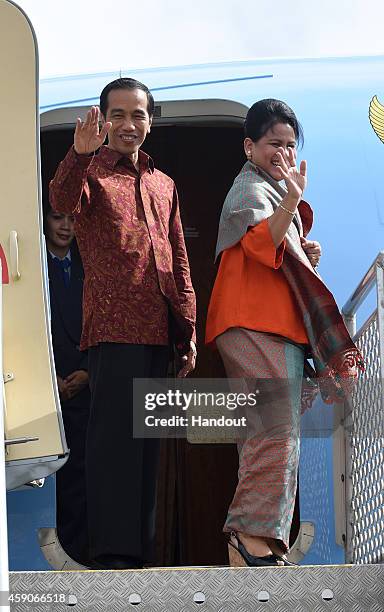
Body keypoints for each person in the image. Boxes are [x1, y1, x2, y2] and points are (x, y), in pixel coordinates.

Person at [205, 99, 363, 567]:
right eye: (274, 143)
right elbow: (257, 245)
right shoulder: (249, 188)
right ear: (249, 146)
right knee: (274, 432)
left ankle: (264, 542)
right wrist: (292, 201)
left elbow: (275, 258)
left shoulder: (273, 191)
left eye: (290, 145)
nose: (283, 153)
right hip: (252, 324)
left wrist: (302, 256)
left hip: (274, 329)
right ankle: (248, 541)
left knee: (277, 435)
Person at [49, 78, 196, 570]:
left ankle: (143, 554)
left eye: (138, 115)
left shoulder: (164, 183)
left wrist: (188, 329)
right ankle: (111, 555)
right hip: (113, 331)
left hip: (160, 332)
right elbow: (61, 200)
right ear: (103, 120)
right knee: (112, 448)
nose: (128, 125)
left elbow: (179, 260)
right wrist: (77, 153)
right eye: (118, 115)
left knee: (148, 451)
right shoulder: (90, 175)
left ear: (150, 121)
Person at [44, 206, 90, 566]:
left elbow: (104, 320)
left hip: (83, 384)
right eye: (58, 218)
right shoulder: (31, 265)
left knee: (81, 475)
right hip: (45, 385)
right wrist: (49, 377)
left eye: (72, 219)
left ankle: (77, 554)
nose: (65, 227)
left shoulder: (91, 266)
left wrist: (88, 371)